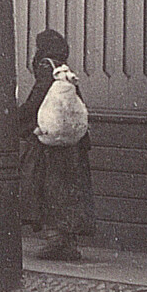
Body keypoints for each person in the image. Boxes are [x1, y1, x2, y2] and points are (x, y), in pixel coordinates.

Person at [17, 29, 95, 261]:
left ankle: (55, 241)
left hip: (49, 146)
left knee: (46, 190)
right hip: (72, 146)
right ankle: (68, 242)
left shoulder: (45, 67)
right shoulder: (65, 71)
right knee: (69, 193)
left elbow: (37, 100)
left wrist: (19, 119)